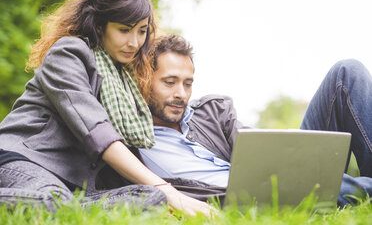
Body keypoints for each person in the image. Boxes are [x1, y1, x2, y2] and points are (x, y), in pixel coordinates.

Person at [0, 0, 212, 216]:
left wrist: (170, 191)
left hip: (74, 185)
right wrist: (170, 191)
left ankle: (68, 207)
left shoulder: (126, 78)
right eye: (123, 30)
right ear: (100, 26)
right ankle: (59, 206)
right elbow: (97, 131)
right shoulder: (68, 54)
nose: (134, 42)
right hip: (25, 161)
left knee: (150, 197)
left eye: (142, 31)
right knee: (52, 202)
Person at [138, 33, 372, 208]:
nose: (181, 93)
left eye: (187, 84)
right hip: (245, 197)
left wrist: (293, 156)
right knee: (321, 184)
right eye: (169, 82)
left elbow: (264, 148)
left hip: (273, 175)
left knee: (347, 71)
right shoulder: (130, 144)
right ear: (145, 80)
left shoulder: (211, 112)